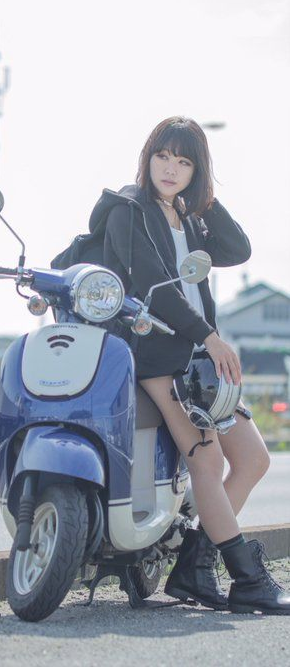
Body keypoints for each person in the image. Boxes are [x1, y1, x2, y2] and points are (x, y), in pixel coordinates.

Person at [91, 116, 290, 614]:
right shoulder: (128, 209)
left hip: (198, 358)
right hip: (159, 354)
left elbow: (238, 248)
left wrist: (204, 198)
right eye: (164, 156)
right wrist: (210, 337)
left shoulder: (190, 217)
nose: (170, 169)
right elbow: (154, 290)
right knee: (206, 459)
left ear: (196, 170)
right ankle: (247, 579)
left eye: (185, 162)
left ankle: (194, 567)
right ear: (147, 156)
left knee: (254, 459)